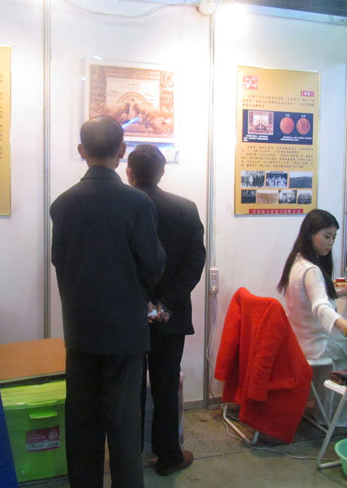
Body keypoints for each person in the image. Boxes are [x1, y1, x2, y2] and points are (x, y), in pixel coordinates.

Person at [50, 116, 165, 488]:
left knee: (82, 424)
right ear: (122, 150)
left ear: (81, 151)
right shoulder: (137, 203)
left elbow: (59, 261)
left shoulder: (62, 204)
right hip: (126, 334)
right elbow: (153, 266)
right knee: (125, 429)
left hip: (80, 332)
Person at [126, 144, 205, 476]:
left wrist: (141, 306)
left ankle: (128, 456)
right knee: (166, 386)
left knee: (129, 388)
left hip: (127, 315)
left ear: (129, 172)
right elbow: (194, 264)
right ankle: (168, 455)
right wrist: (161, 306)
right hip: (169, 316)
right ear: (161, 172)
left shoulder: (121, 207)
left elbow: (115, 266)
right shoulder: (185, 208)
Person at [277, 209, 347, 425]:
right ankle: (334, 418)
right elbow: (320, 307)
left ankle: (322, 409)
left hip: (299, 341)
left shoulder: (296, 262)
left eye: (334, 237)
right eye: (326, 236)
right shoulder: (312, 270)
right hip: (316, 345)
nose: (330, 242)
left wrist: (340, 292)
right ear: (310, 234)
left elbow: (311, 299)